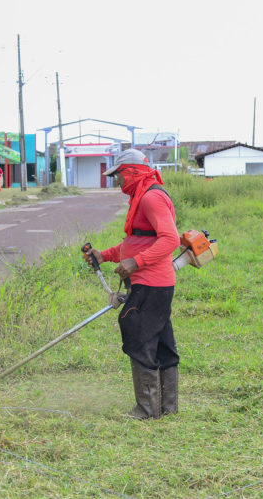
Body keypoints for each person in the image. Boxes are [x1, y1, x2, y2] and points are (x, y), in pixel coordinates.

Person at [84, 149, 180, 419]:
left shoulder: (151, 198)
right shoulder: (143, 195)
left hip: (150, 282)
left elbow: (169, 239)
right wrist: (105, 256)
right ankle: (167, 408)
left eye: (118, 176)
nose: (118, 183)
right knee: (161, 342)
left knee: (139, 337)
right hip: (151, 281)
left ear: (131, 172)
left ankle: (147, 409)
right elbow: (137, 240)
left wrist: (136, 263)